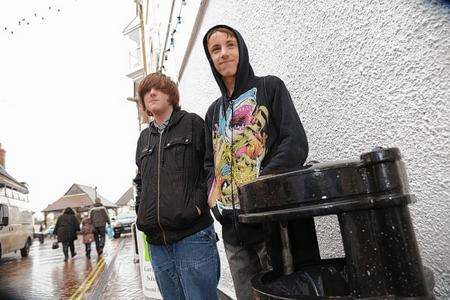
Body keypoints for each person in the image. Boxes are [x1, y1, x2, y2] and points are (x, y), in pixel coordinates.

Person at [203, 25, 309, 299]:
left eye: (230, 45)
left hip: (270, 223)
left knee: (281, 294)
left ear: (242, 49)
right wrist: (214, 200)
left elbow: (295, 143)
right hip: (232, 230)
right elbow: (208, 163)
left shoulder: (269, 87)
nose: (224, 53)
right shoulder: (213, 112)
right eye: (215, 49)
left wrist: (258, 186)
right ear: (210, 59)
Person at [134, 72, 220, 299]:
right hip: (157, 243)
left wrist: (199, 206)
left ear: (171, 95)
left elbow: (211, 168)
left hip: (192, 237)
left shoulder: (193, 123)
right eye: (145, 92)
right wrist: (140, 210)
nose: (151, 93)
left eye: (158, 88)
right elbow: (140, 181)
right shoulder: (144, 139)